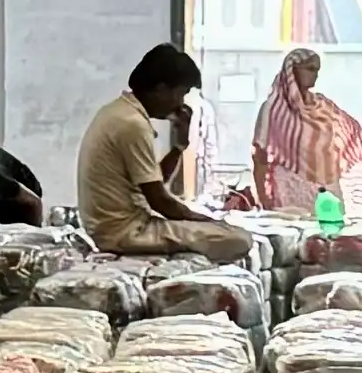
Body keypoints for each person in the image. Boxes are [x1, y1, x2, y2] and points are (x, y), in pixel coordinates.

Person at [76, 46, 241, 253]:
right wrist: (205, 221)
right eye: (181, 93)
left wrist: (180, 146)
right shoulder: (132, 124)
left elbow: (153, 183)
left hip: (118, 229)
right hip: (126, 234)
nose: (181, 103)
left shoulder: (119, 111)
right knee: (239, 238)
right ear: (162, 90)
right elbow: (159, 200)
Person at [249, 48, 362, 220]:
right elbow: (260, 157)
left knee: (330, 239)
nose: (315, 75)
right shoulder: (274, 110)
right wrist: (264, 199)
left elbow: (347, 131)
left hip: (327, 190)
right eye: (309, 69)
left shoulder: (323, 107)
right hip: (290, 190)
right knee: (294, 243)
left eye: (317, 70)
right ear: (293, 70)